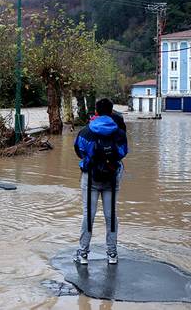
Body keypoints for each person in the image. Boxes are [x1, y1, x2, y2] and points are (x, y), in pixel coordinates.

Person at [74, 98, 128, 265]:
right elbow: (123, 152)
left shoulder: (85, 131)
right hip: (111, 178)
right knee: (111, 215)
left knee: (88, 215)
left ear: (96, 112)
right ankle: (112, 254)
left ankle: (83, 254)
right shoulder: (119, 132)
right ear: (111, 112)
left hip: (90, 177)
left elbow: (79, 150)